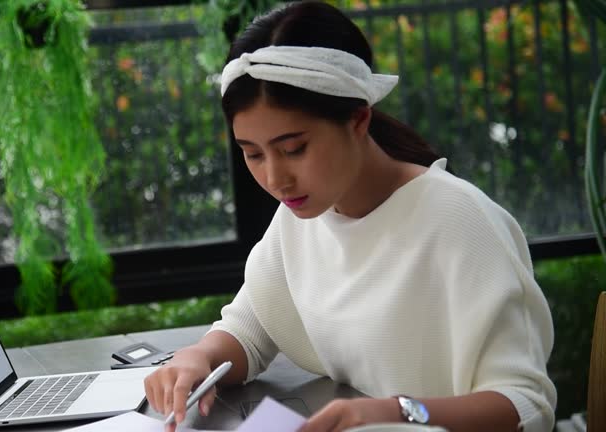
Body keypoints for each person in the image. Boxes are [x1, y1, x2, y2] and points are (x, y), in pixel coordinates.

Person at [144, 2, 556, 431]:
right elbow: (250, 329)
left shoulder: (460, 220)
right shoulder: (302, 216)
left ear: (359, 119)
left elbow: (527, 404)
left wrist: (400, 412)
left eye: (293, 149)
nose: (274, 178)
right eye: (252, 154)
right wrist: (198, 357)